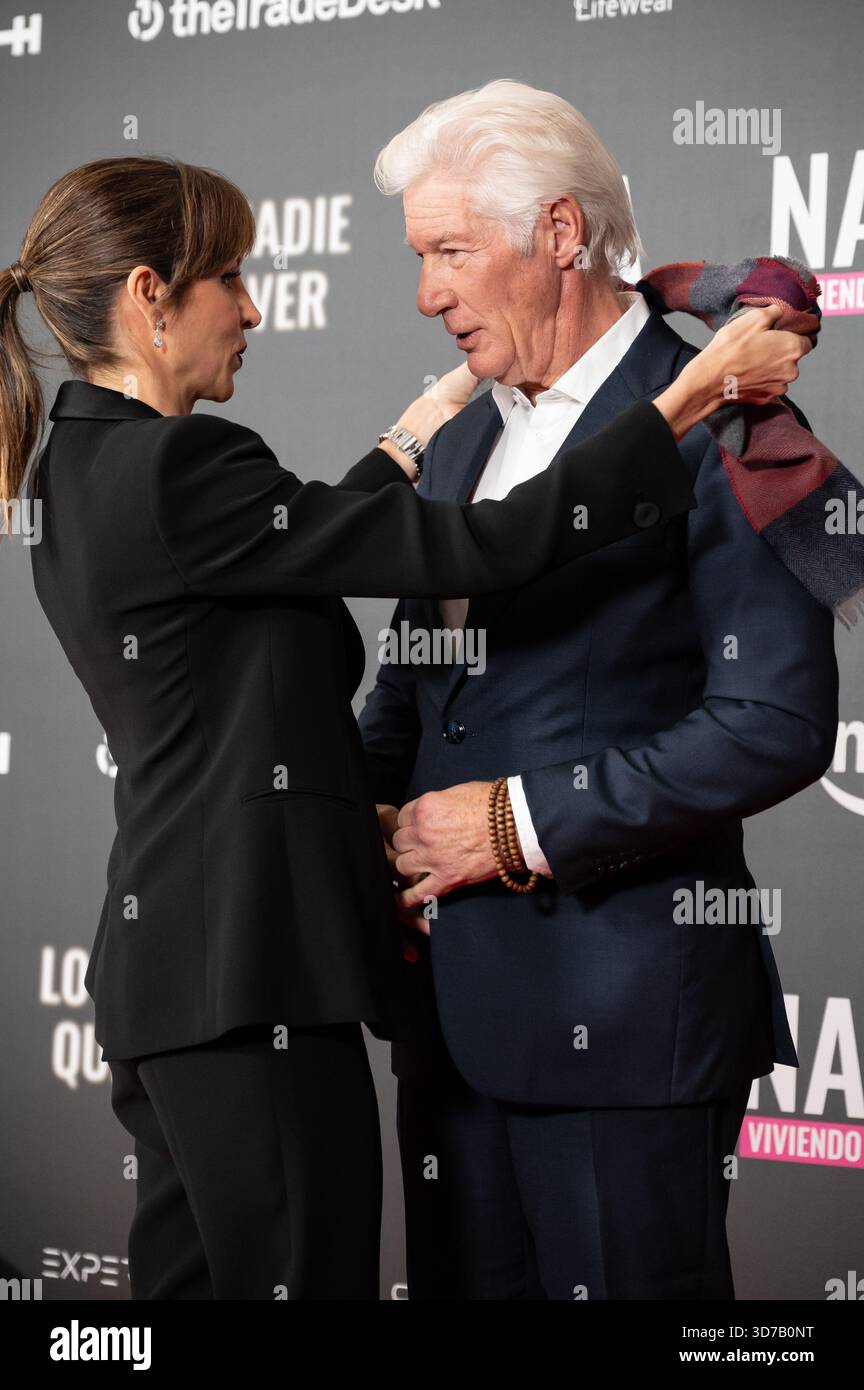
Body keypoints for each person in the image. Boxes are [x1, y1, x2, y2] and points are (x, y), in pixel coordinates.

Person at [0, 154, 807, 1301]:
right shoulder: (185, 466)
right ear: (147, 294)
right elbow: (470, 550)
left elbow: (280, 560)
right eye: (229, 276)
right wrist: (685, 402)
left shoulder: (79, 469)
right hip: (258, 977)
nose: (252, 306)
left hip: (178, 981)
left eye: (448, 251)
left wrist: (410, 439)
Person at [359, 80, 838, 1300]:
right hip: (448, 1027)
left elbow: (772, 722)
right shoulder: (461, 437)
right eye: (422, 257)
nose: (428, 294)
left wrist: (514, 823)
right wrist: (358, 819)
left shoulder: (730, 421)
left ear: (561, 234)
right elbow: (417, 694)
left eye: (451, 252)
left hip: (626, 1025)